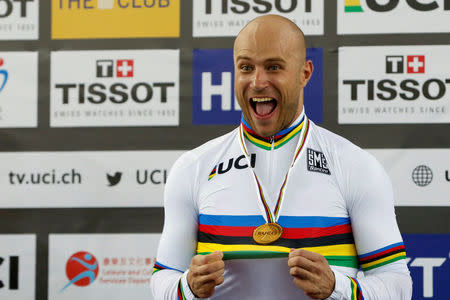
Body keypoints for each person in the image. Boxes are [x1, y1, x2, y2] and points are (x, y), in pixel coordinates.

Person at [150, 15, 412, 299]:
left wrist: (338, 288)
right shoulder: (193, 167)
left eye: (273, 67)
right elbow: (163, 276)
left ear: (305, 73)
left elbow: (397, 283)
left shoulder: (355, 166)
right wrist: (186, 286)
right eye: (246, 67)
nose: (258, 81)